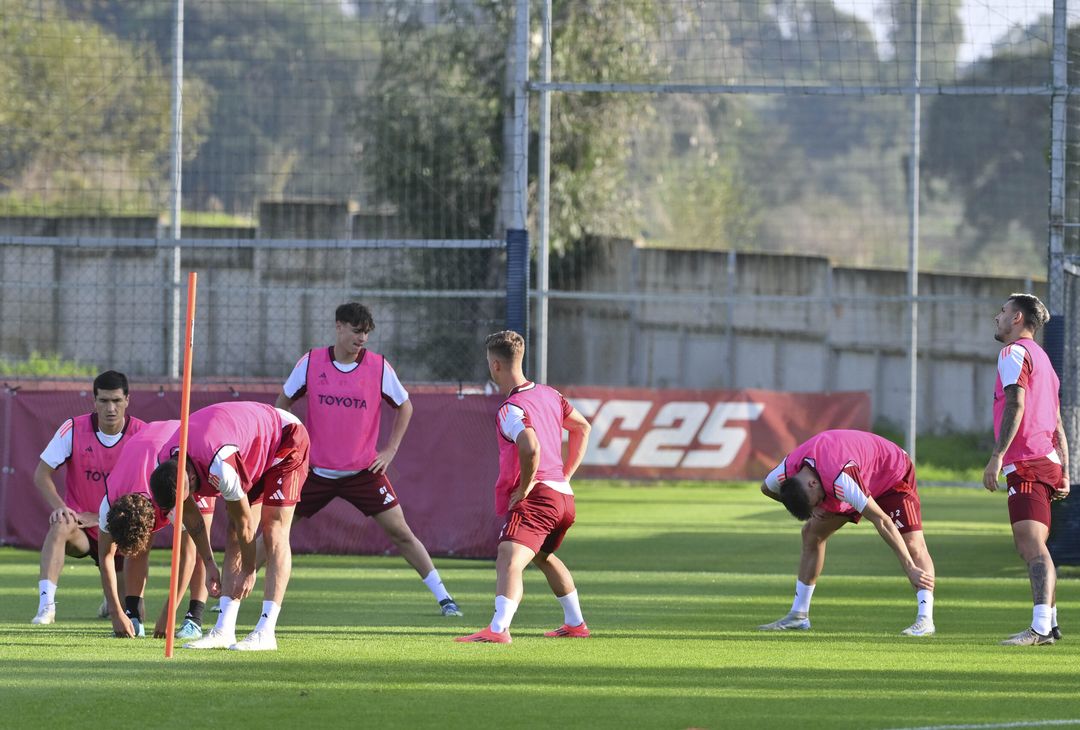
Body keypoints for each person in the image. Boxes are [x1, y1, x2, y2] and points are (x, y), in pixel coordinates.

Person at [275, 302, 461, 616]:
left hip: (363, 472)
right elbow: (281, 406)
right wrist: (292, 450)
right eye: (356, 331)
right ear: (339, 326)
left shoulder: (378, 367)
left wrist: (389, 451)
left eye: (366, 333)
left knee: (401, 533)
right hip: (315, 471)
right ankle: (229, 594)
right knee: (275, 530)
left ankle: (445, 599)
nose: (362, 338)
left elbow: (405, 406)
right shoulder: (310, 363)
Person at [456, 330, 593, 643]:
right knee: (542, 556)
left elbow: (530, 447)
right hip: (563, 497)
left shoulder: (511, 408)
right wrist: (566, 474)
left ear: (495, 366)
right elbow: (582, 428)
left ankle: (497, 629)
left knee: (508, 557)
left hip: (538, 496)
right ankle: (575, 623)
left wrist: (528, 484)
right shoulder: (550, 394)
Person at [149, 401, 309, 651]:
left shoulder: (220, 466)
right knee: (232, 532)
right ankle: (224, 629)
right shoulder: (167, 462)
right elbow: (192, 518)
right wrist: (210, 563)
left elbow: (246, 523)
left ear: (191, 479)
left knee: (273, 529)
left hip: (285, 440)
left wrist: (248, 569)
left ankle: (266, 631)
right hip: (250, 448)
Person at [758, 429, 936, 636]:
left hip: (892, 475)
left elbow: (882, 520)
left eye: (817, 502)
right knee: (811, 534)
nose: (819, 506)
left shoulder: (842, 479)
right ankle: (798, 616)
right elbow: (766, 489)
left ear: (812, 484)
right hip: (850, 477)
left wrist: (909, 567)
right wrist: (814, 509)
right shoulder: (788, 470)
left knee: (912, 545)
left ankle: (925, 619)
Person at [983, 293, 1070, 646]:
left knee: (1030, 545)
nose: (997, 317)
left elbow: (1016, 403)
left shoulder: (1012, 353)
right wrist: (1064, 467)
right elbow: (1058, 421)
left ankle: (1039, 629)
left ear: (1017, 318)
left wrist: (997, 456)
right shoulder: (1044, 361)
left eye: (1002, 312)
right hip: (1046, 460)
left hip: (1028, 461)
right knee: (1037, 546)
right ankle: (1049, 623)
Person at [30, 370, 146, 626]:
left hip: (119, 530)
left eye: (116, 400)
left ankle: (112, 597)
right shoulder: (73, 429)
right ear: (94, 402)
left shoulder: (142, 434)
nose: (111, 408)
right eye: (104, 401)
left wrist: (106, 516)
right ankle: (46, 606)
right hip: (81, 529)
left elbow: (147, 490)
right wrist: (63, 509)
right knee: (59, 523)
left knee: (136, 613)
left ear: (128, 399)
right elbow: (41, 474)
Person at [100, 419, 218, 640]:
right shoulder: (109, 503)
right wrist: (116, 612)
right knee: (138, 548)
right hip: (143, 447)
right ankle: (133, 614)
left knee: (201, 543)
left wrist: (168, 613)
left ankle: (194, 618)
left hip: (184, 448)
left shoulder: (172, 495)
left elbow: (187, 556)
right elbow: (105, 555)